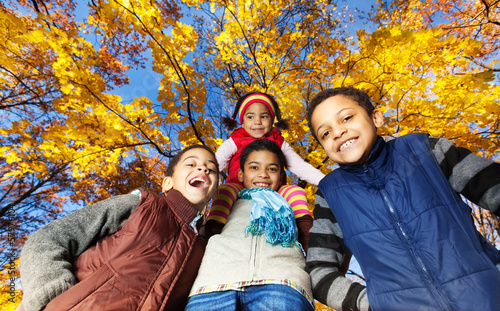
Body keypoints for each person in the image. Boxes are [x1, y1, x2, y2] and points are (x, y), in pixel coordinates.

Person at [305, 86, 500, 311]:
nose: (338, 132)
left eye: (346, 118)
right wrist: (372, 303)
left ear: (376, 117)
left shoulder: (425, 151)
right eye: (325, 133)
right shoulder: (331, 193)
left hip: (486, 296)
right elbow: (319, 271)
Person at [17, 145, 219, 311]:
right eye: (191, 163)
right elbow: (49, 238)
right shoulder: (142, 205)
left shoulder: (204, 251)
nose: (203, 169)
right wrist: (54, 297)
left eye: (211, 169)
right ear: (167, 183)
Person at [186, 139, 315, 311]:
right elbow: (208, 232)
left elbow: (308, 237)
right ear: (240, 174)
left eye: (272, 169)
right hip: (213, 283)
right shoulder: (230, 197)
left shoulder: (287, 201)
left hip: (281, 282)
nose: (263, 174)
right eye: (254, 167)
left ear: (281, 177)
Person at [205, 92, 324, 237]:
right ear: (242, 122)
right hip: (239, 186)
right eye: (250, 117)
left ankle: (305, 234)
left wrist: (325, 181)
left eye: (264, 116)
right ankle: (212, 229)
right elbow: (215, 164)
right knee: (225, 190)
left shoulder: (279, 141)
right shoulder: (235, 140)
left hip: (273, 188)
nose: (257, 121)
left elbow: (298, 165)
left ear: (272, 120)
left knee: (296, 192)